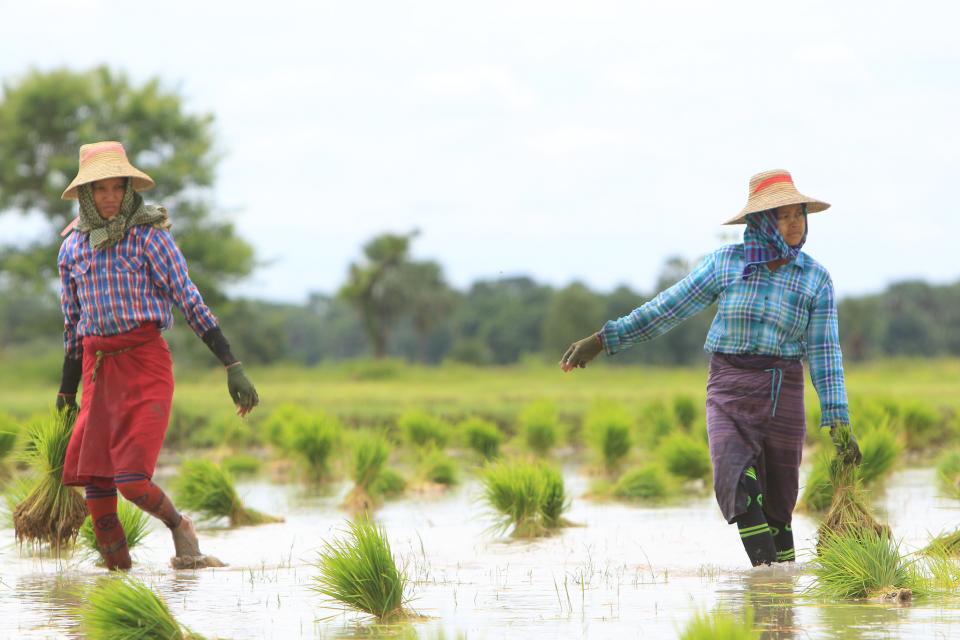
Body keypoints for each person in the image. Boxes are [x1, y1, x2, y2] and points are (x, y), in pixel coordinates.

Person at [560, 169, 860, 567]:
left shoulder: (815, 279)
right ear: (760, 222)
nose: (793, 223)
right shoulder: (725, 264)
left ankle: (779, 603)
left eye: (798, 214)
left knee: (778, 503)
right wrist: (603, 340)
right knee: (737, 480)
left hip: (781, 391)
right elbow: (667, 309)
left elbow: (825, 353)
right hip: (729, 388)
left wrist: (838, 419)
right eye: (782, 215)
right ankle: (768, 579)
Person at [55, 141, 259, 570]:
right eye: (100, 189)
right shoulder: (72, 249)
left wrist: (232, 364)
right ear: (86, 195)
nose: (110, 197)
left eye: (117, 187)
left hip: (144, 364)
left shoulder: (150, 237)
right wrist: (66, 391)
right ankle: (118, 585)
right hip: (97, 367)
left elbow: (189, 301)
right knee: (96, 480)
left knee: (130, 479)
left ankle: (179, 525)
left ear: (130, 190)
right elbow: (73, 326)